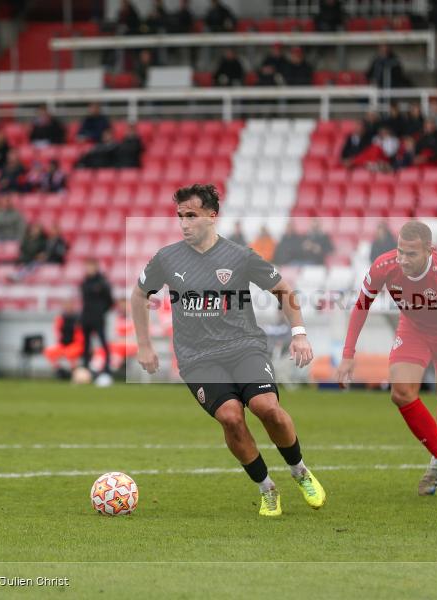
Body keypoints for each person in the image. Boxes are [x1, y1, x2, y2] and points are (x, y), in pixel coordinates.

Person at [132, 184, 325, 517]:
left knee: (267, 408)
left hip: (243, 346)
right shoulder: (166, 258)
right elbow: (138, 296)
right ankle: (267, 489)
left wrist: (299, 334)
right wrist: (145, 345)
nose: (184, 223)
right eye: (180, 217)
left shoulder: (239, 256)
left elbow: (282, 289)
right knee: (231, 417)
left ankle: (300, 471)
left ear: (212, 215)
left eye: (191, 216)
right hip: (197, 357)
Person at [337, 221, 437, 496]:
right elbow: (361, 305)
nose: (402, 259)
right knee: (401, 393)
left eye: (411, 254)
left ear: (429, 250)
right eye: (400, 251)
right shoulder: (384, 266)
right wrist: (348, 354)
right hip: (413, 329)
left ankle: (435, 466)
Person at [80, 259, 114, 386]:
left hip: (98, 318)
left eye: (90, 267)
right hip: (86, 317)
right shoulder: (84, 282)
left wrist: (100, 311)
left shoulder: (102, 283)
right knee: (86, 344)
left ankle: (107, 368)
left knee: (103, 343)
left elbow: (110, 301)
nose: (88, 269)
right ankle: (85, 368)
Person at [44, 299, 85, 375]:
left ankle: (74, 371)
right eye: (66, 306)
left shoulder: (78, 318)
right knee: (49, 351)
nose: (68, 308)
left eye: (69, 306)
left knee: (70, 353)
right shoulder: (61, 318)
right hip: (63, 345)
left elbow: (80, 336)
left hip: (75, 344)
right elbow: (57, 332)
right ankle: (59, 370)